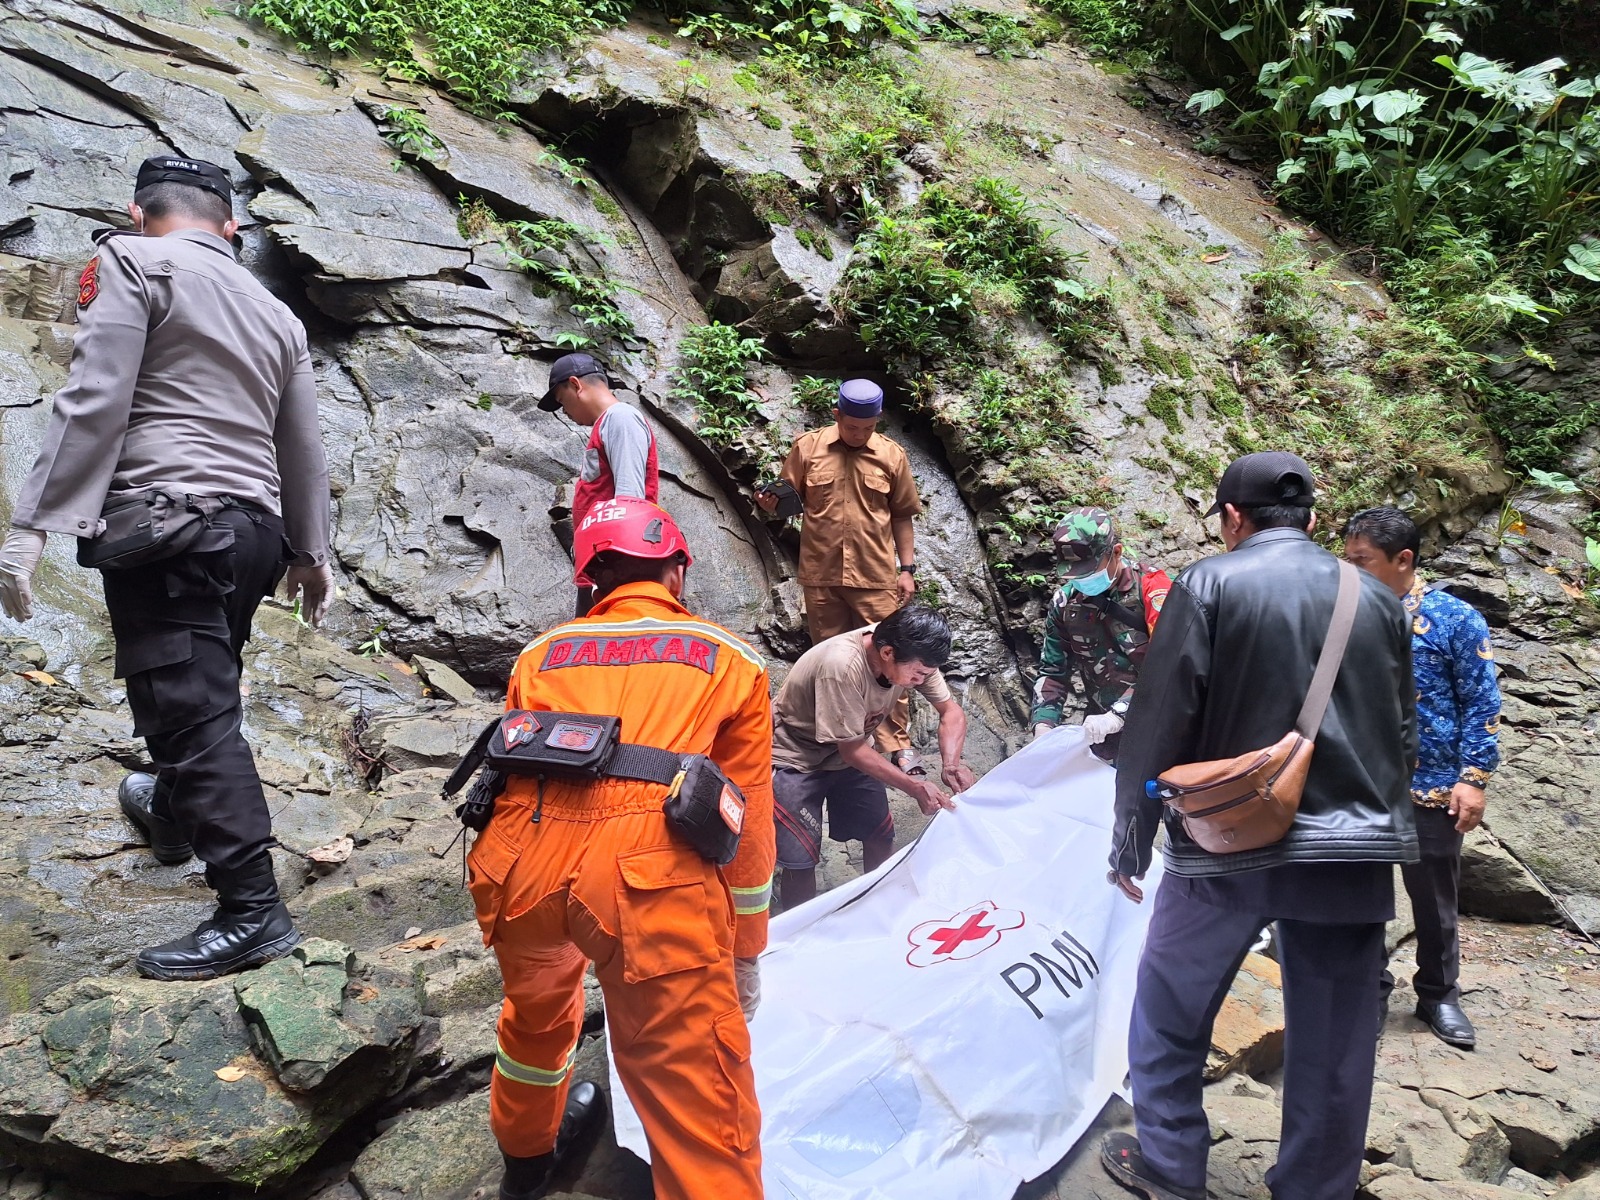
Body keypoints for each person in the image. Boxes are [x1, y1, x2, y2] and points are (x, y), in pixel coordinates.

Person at [0, 155, 332, 982]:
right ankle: (171, 812)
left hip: (168, 522)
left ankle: (252, 911)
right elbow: (304, 449)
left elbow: (94, 397)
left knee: (191, 712)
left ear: (138, 210)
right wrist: (311, 553)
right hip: (252, 532)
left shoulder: (133, 260)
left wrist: (32, 525)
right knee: (202, 683)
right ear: (231, 228)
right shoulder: (276, 311)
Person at [1102, 451, 1417, 1200]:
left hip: (1227, 847)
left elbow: (1159, 719)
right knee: (1337, 1039)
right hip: (1353, 851)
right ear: (1312, 520)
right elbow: (1401, 732)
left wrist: (1132, 835)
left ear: (1233, 518)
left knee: (1172, 1006)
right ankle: (1315, 1187)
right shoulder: (1375, 598)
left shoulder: (1210, 581)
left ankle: (1172, 1165)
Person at [467, 497, 774, 1200]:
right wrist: (746, 946)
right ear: (676, 571)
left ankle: (526, 1161)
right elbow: (746, 821)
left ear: (592, 576)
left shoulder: (539, 653)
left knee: (535, 1020)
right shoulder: (729, 659)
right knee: (694, 1085)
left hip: (521, 865)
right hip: (647, 877)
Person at [1343, 506, 1500, 1050]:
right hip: (1360, 781)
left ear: (1403, 559)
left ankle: (1438, 993)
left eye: (1363, 560)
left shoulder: (1455, 619)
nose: (1352, 570)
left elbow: (1482, 701)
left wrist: (1473, 777)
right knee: (1360, 892)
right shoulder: (1345, 614)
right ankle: (1370, 987)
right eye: (1348, 559)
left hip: (1433, 784)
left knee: (1434, 898)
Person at [758, 378, 925, 773]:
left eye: (868, 428)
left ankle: (898, 744)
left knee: (893, 664)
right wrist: (767, 503)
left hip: (875, 576)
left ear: (878, 421)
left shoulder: (891, 455)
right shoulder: (807, 448)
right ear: (837, 415)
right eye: (852, 427)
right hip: (822, 576)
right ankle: (838, 745)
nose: (859, 434)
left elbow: (901, 515)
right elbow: (784, 506)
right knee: (831, 665)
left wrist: (907, 569)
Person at [769, 604, 978, 909]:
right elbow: (851, 750)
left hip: (852, 746)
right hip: (795, 754)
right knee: (800, 858)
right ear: (887, 653)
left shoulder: (911, 646)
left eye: (926, 674)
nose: (921, 680)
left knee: (879, 832)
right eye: (917, 674)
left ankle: (881, 907)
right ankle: (797, 928)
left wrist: (951, 765)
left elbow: (951, 712)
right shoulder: (842, 666)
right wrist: (914, 786)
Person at [1030, 507, 1171, 762]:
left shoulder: (1152, 590)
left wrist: (1118, 715)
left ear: (1116, 552)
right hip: (1100, 733)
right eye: (1075, 575)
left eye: (1089, 571)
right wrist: (1043, 724)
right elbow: (1053, 671)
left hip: (1160, 726)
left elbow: (1171, 669)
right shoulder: (1065, 603)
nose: (1082, 581)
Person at [538, 351, 659, 616]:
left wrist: (617, 571)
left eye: (561, 400)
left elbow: (630, 501)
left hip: (614, 567)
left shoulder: (620, 418)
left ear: (576, 384)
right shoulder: (608, 423)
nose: (564, 412)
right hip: (602, 565)